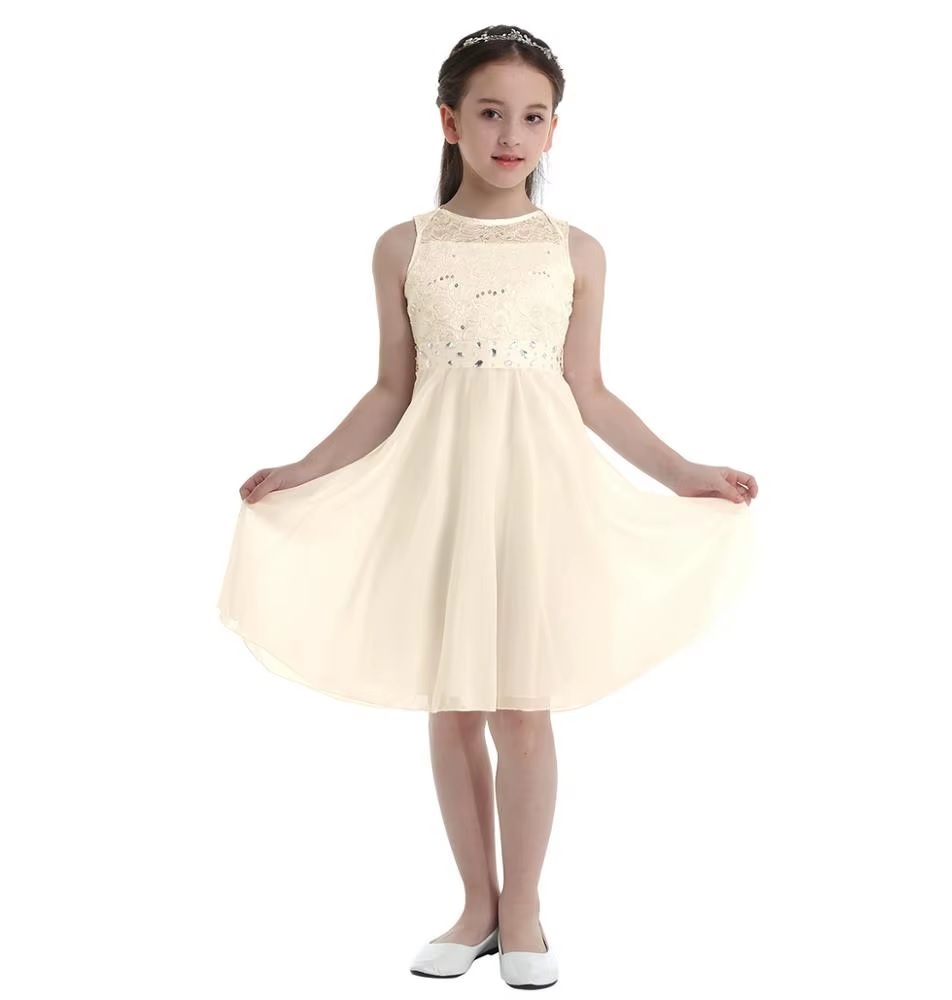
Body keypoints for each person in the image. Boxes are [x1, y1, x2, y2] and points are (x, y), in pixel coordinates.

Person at [216, 24, 760, 989]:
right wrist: (302, 469)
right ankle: (476, 906)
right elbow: (391, 391)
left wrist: (682, 472)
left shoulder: (574, 251)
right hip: (443, 494)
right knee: (456, 700)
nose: (512, 135)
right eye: (491, 113)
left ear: (554, 129)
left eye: (533, 117)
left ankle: (526, 910)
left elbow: (589, 391)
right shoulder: (405, 246)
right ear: (449, 121)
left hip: (539, 495)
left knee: (521, 705)